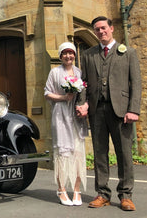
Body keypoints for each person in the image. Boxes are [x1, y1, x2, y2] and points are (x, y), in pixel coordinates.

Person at [76, 16, 141, 211]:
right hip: (97, 111)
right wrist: (83, 103)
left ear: (111, 29)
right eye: (97, 29)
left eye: (103, 28)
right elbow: (83, 84)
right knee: (100, 154)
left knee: (124, 154)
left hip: (121, 112)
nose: (101, 32)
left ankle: (126, 195)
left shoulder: (128, 52)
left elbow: (135, 83)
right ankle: (102, 193)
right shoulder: (88, 55)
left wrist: (133, 109)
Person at [44, 42, 88, 206]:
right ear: (60, 56)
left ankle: (76, 190)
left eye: (71, 53)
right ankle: (62, 190)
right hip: (61, 114)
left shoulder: (79, 72)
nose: (68, 56)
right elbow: (47, 93)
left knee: (77, 153)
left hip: (76, 116)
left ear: (75, 55)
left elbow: (84, 94)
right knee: (62, 154)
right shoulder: (54, 72)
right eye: (65, 53)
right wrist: (64, 98)